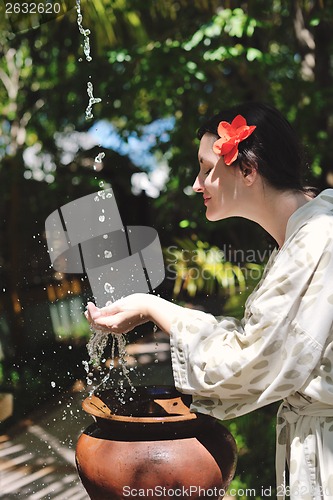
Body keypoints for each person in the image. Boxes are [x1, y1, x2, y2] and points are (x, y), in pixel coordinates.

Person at [86, 102, 333, 499]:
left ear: (248, 171)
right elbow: (262, 341)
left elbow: (247, 362)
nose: (196, 185)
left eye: (206, 170)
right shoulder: (308, 230)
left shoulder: (317, 238)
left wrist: (155, 307)